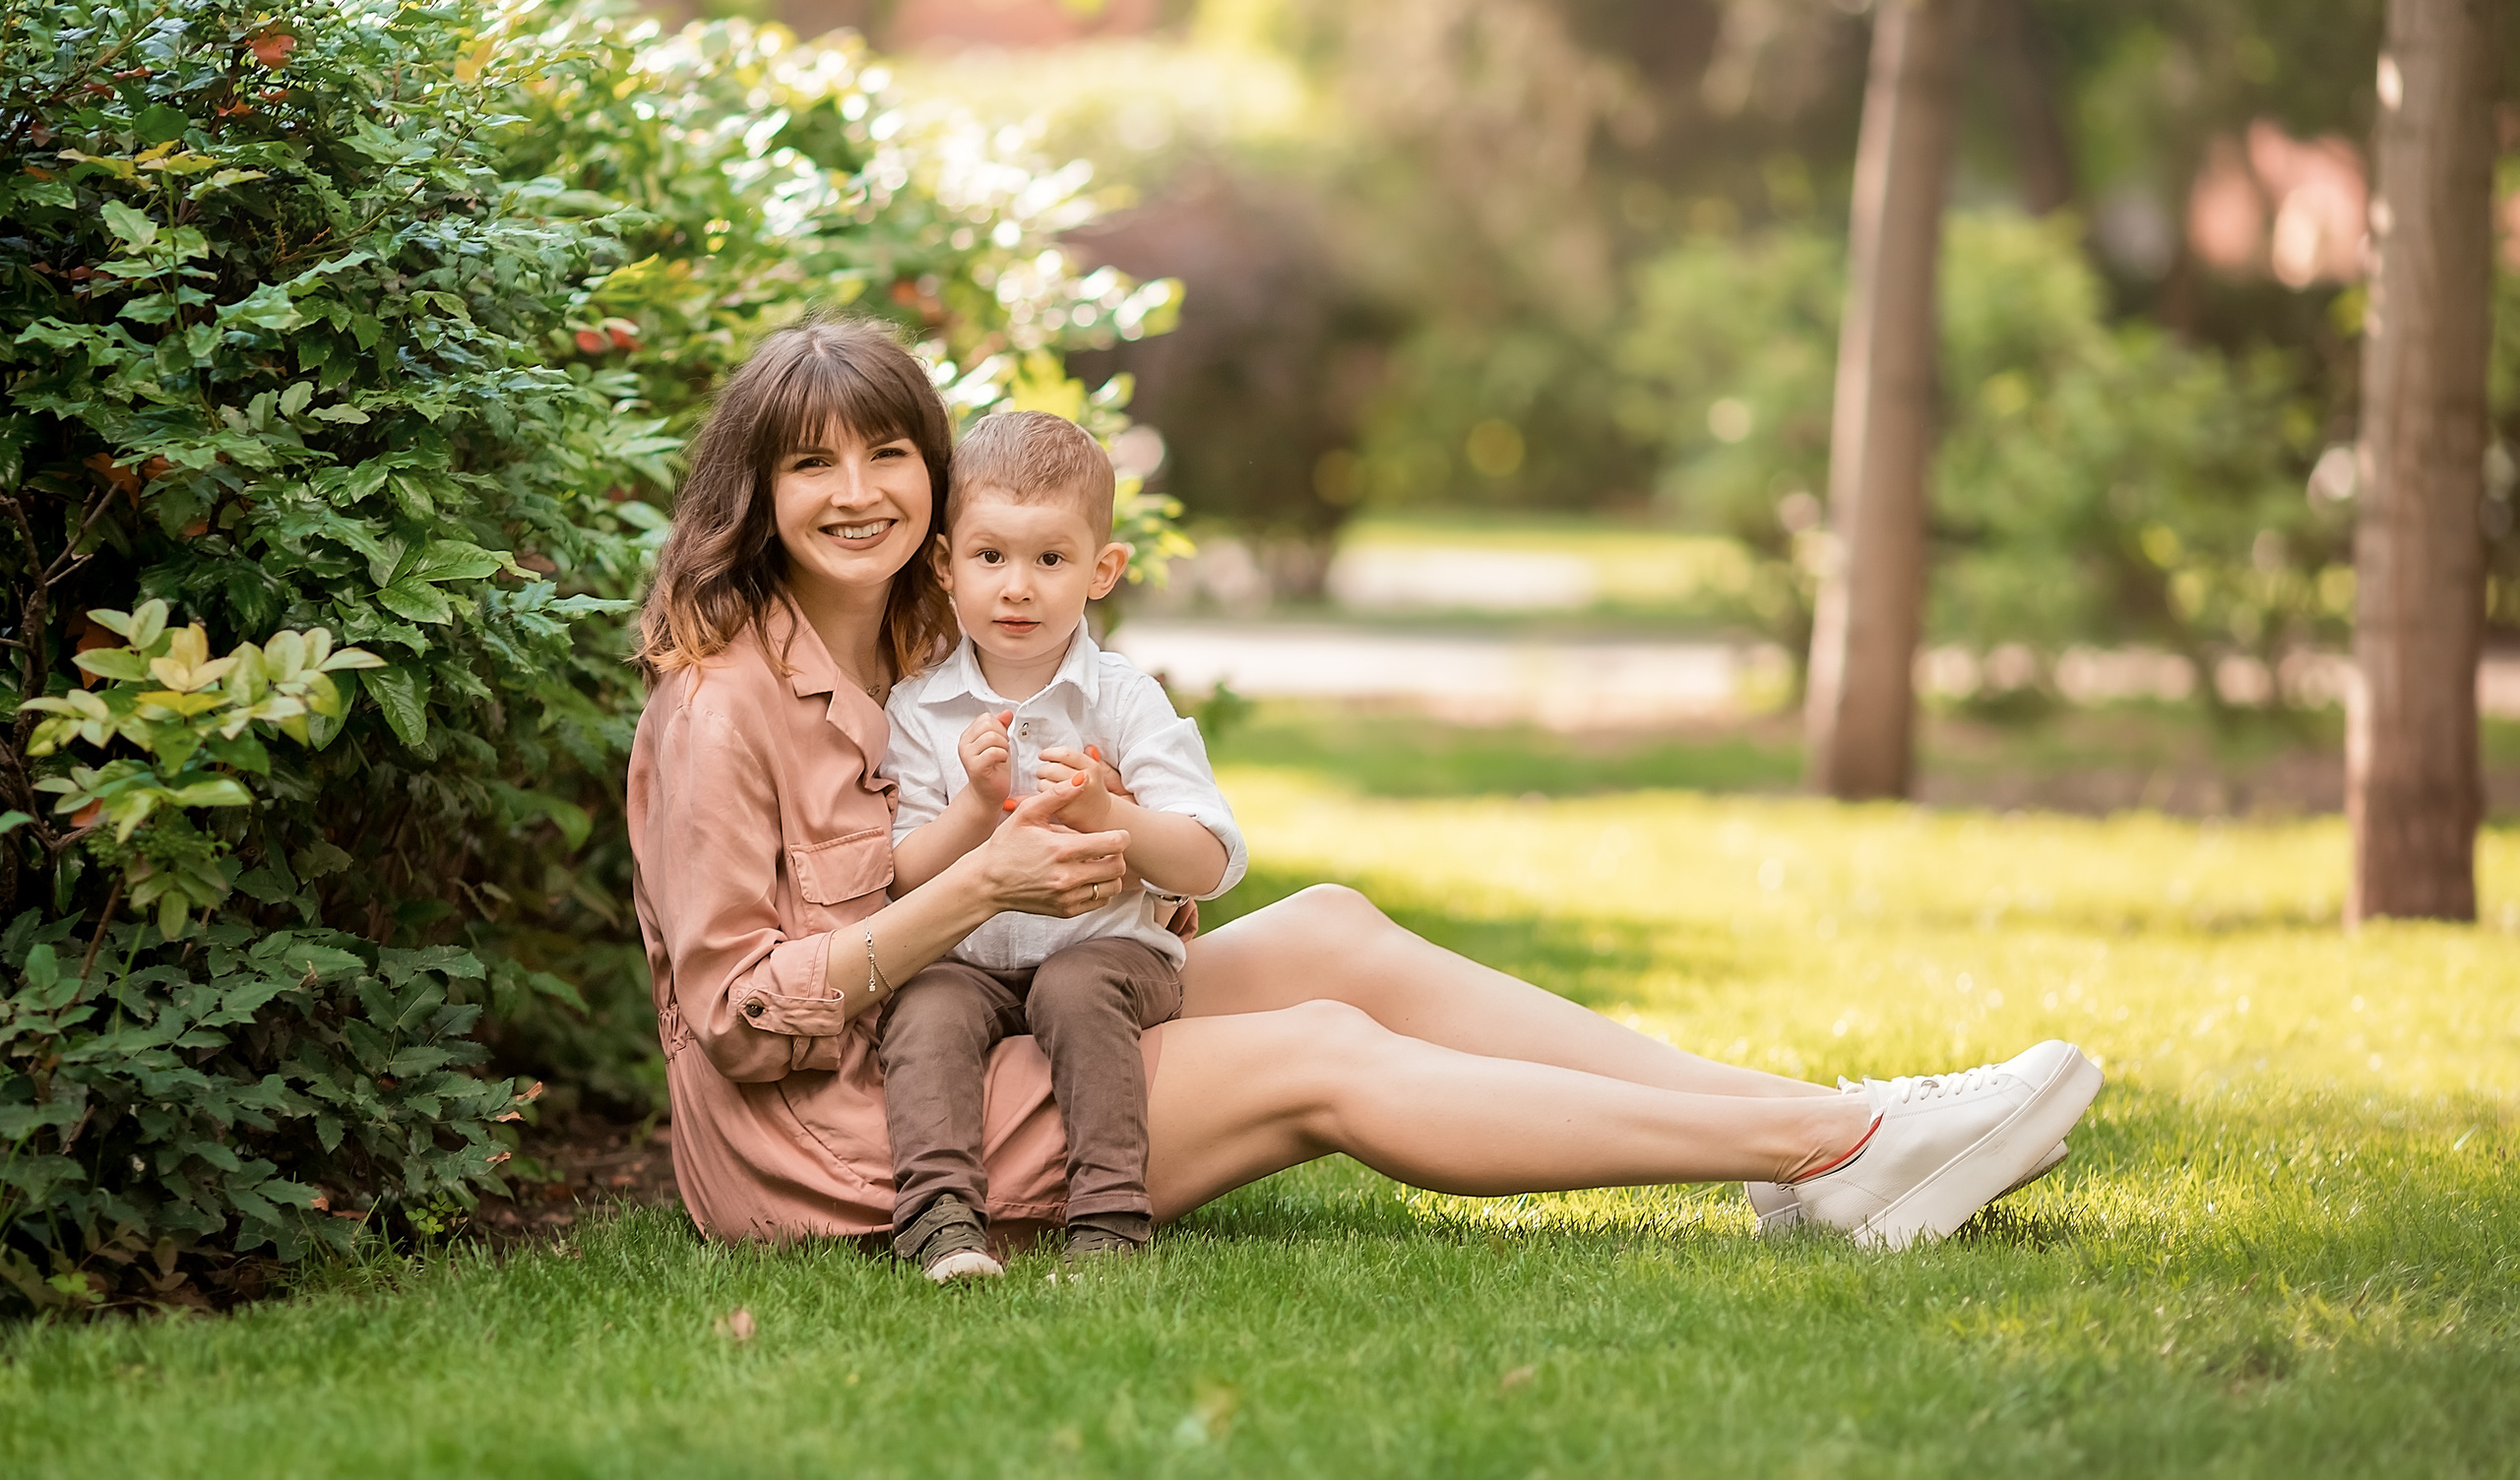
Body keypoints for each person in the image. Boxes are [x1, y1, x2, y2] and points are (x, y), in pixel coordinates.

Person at [625, 319, 2104, 1264]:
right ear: (755, 494)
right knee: (1318, 1049)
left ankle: (1826, 1121)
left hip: (1017, 1010)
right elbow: (746, 1026)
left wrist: (1125, 855)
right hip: (854, 1131)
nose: (861, 488)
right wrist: (982, 883)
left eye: (892, 452)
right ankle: (1830, 1152)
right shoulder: (720, 704)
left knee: (1329, 925)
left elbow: (1126, 846)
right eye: (813, 463)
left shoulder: (921, 637)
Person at [877, 410, 1246, 1281]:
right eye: (990, 556)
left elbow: (1209, 861)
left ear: (1101, 570)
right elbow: (900, 878)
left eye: (1050, 559)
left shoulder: (1122, 698)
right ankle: (940, 1219)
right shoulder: (917, 709)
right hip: (966, 959)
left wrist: (1106, 813)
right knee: (924, 1003)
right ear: (945, 564)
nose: (1018, 587)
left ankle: (1109, 1215)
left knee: (1076, 988)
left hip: (1104, 950)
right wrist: (974, 804)